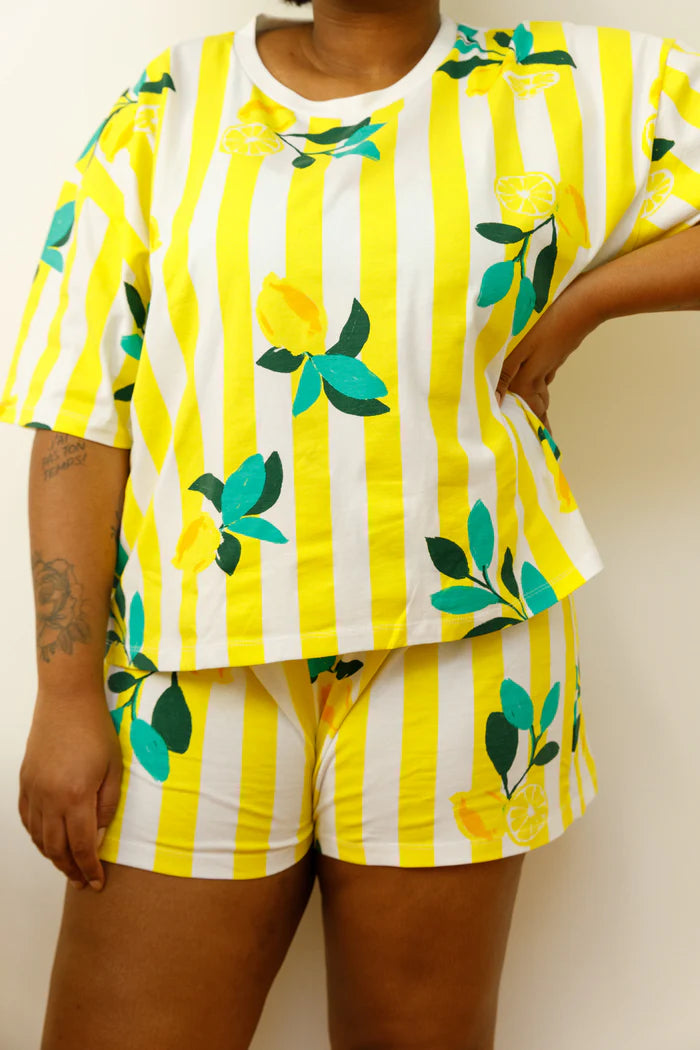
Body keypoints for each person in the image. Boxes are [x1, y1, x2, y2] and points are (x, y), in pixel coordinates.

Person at [1, 0, 699, 1046]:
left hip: (465, 655)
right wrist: (63, 696)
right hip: (189, 671)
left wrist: (585, 303)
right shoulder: (170, 102)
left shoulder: (572, 85)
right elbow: (79, 413)